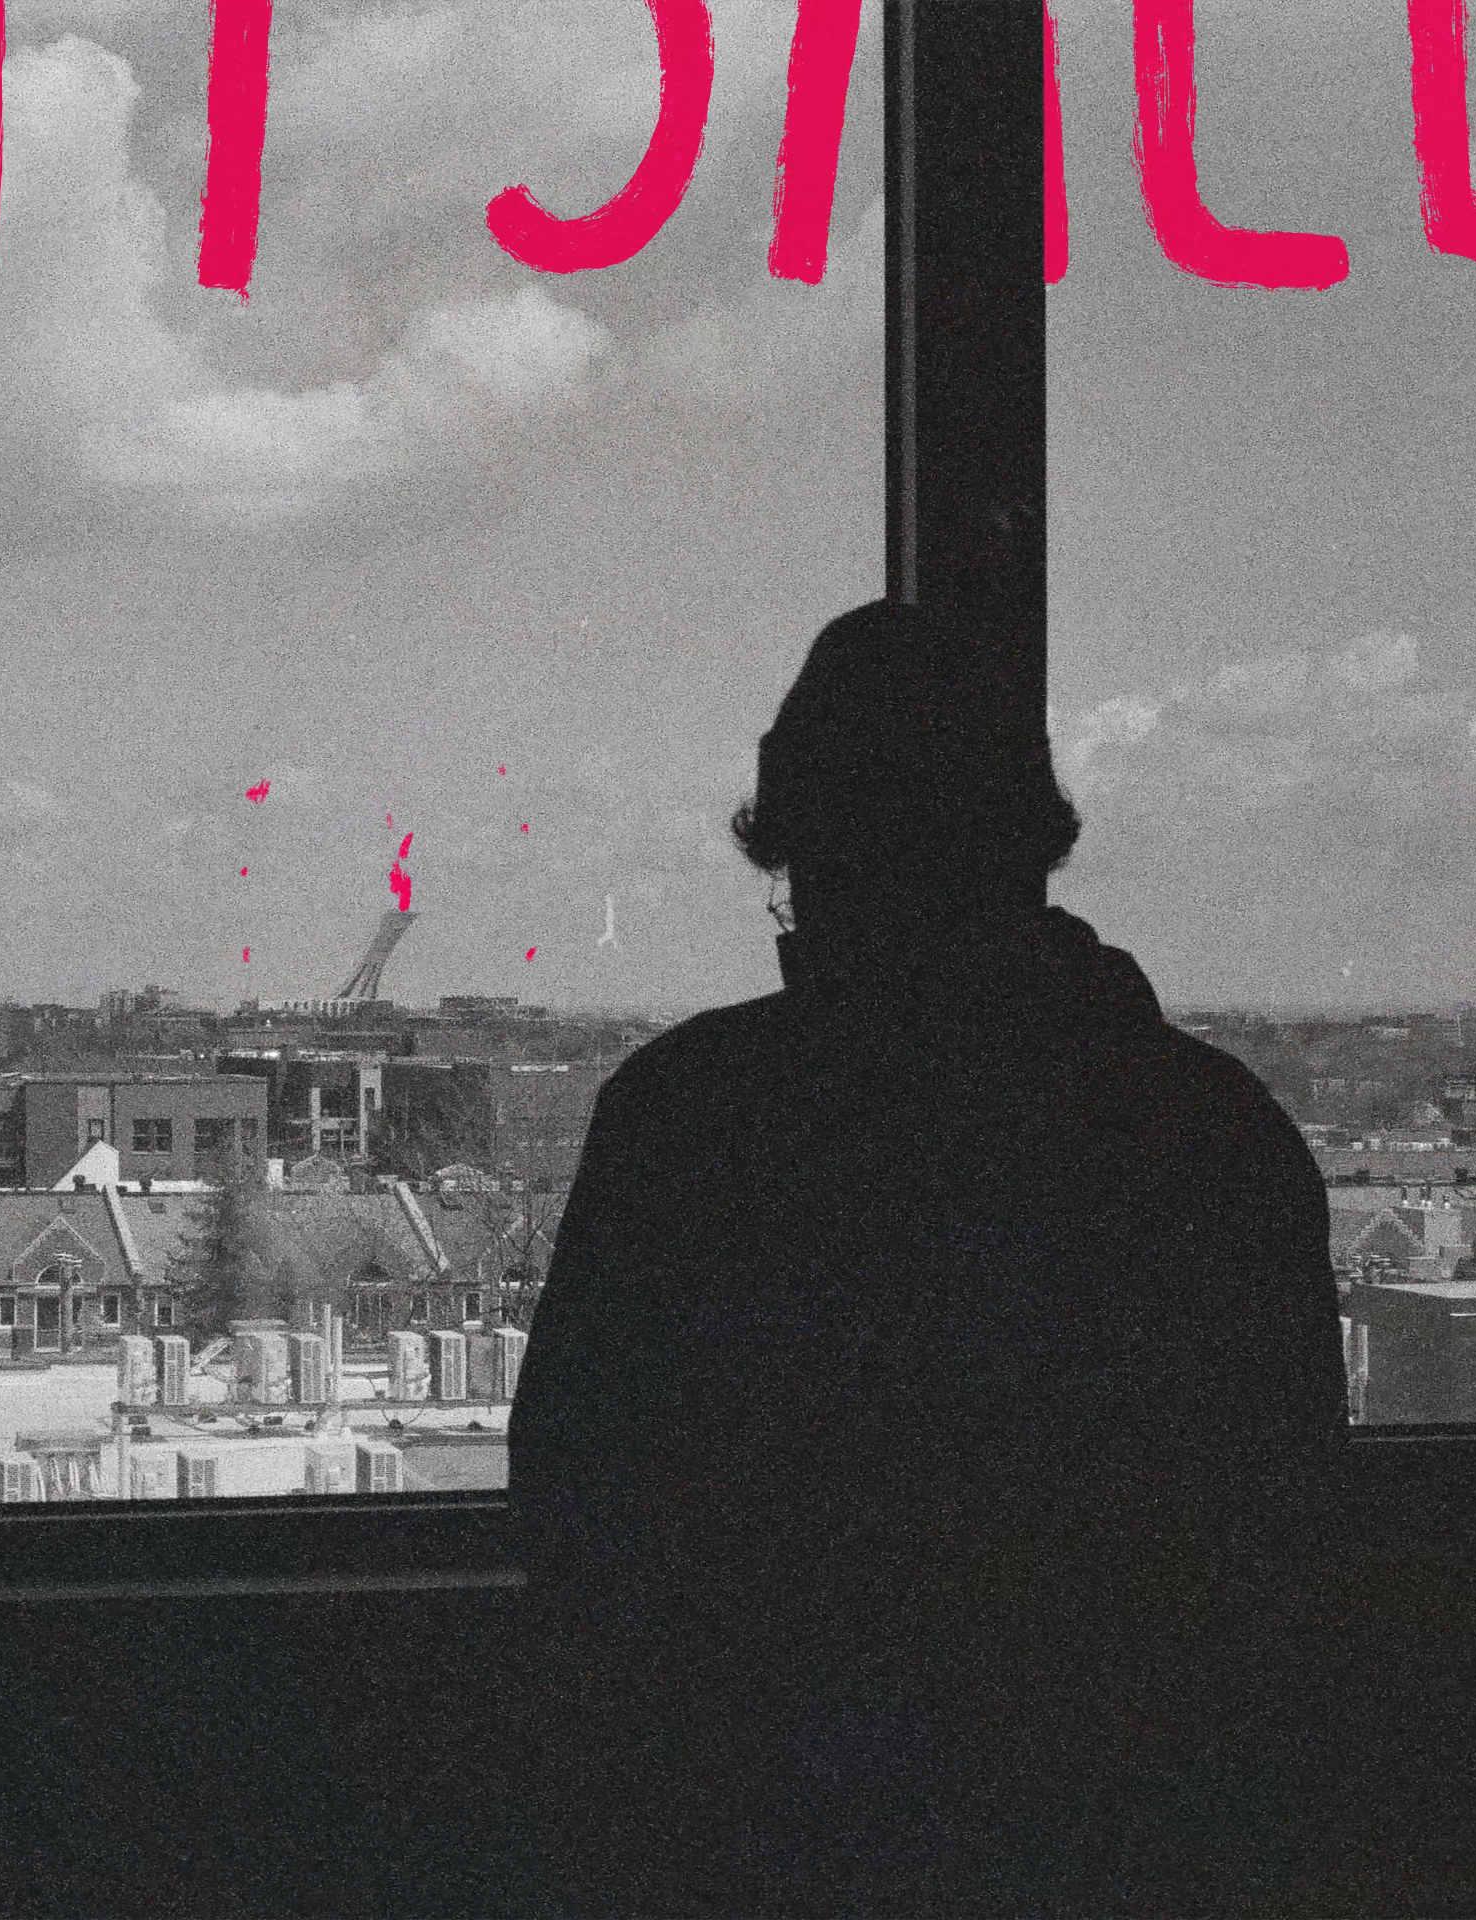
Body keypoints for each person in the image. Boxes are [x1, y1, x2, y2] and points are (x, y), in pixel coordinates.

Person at [507, 600, 1349, 1916]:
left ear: (813, 860)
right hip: (1127, 1841)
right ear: (1029, 849)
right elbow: (1277, 1550)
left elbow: (579, 1507)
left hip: (763, 1836)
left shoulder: (691, 1123)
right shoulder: (1213, 1136)